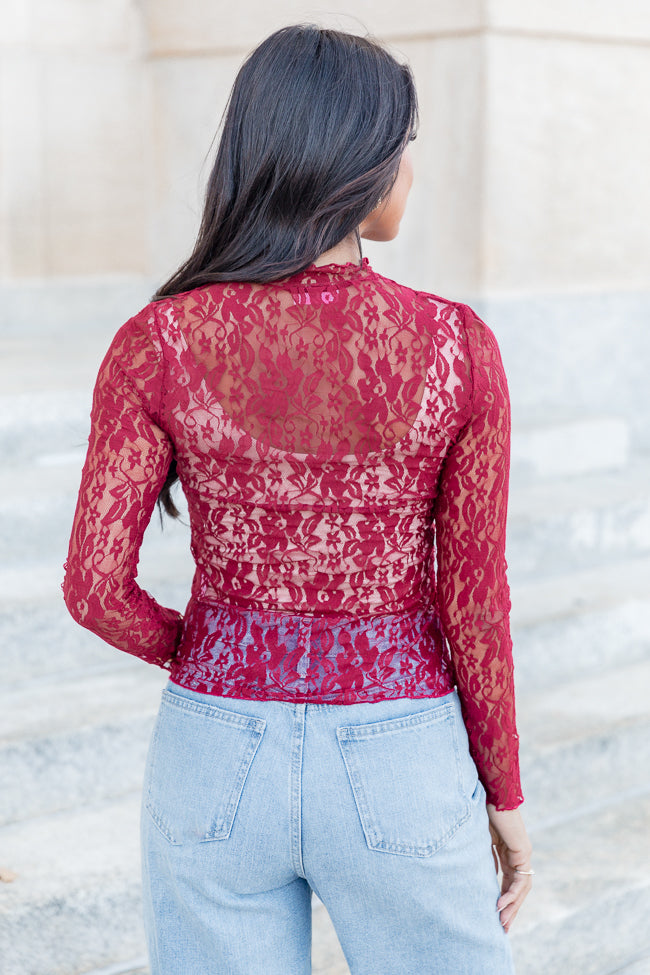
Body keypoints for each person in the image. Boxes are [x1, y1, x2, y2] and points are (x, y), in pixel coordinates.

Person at [63, 24, 532, 975]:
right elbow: (473, 604)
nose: (409, 167)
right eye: (404, 145)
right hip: (398, 750)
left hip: (213, 745)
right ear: (357, 161)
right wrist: (507, 797)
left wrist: (209, 644)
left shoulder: (156, 341)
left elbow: (93, 588)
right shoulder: (455, 347)